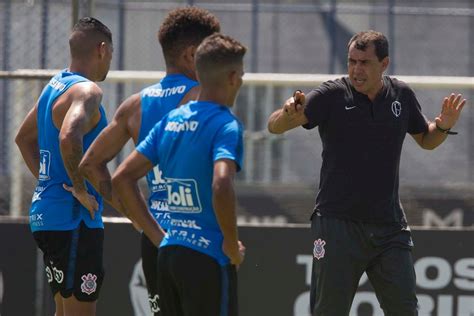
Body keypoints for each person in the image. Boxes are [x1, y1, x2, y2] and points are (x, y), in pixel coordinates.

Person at [267, 30, 467, 315]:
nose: (356, 70)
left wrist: (444, 125)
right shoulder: (331, 94)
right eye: (352, 61)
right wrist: (287, 115)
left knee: (405, 310)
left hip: (389, 228)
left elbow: (426, 139)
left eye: (364, 62)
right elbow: (274, 126)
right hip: (338, 226)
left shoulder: (401, 95)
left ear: (384, 64)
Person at [78, 7, 220, 315]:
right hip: (199, 237)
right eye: (212, 53)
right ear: (192, 54)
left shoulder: (135, 105)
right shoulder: (204, 99)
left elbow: (90, 164)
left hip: (156, 237)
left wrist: (140, 219)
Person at [112, 33, 247, 316]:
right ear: (233, 77)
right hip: (208, 257)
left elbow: (121, 178)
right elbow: (221, 184)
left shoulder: (171, 121)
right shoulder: (226, 125)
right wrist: (230, 243)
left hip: (169, 254)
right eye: (242, 75)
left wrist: (154, 234)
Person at [14, 17, 113, 316]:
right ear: (102, 49)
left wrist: (49, 182)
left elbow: (22, 139)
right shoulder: (88, 91)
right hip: (74, 220)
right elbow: (69, 137)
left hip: (47, 215)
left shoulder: (54, 86)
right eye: (110, 53)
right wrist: (80, 189)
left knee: (63, 310)